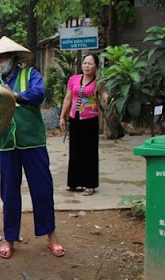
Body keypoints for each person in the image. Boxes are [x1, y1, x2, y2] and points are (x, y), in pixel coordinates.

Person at [0, 36, 65, 259]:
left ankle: (51, 235)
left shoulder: (31, 75)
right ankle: (9, 238)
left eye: (3, 57)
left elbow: (38, 94)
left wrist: (16, 95)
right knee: (9, 193)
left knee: (43, 189)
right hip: (5, 143)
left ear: (14, 58)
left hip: (32, 141)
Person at [59, 54, 105, 197]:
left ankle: (90, 185)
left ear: (96, 67)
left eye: (90, 64)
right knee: (75, 151)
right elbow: (68, 98)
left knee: (89, 152)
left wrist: (113, 100)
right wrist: (62, 116)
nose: (86, 66)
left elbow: (104, 96)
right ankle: (74, 182)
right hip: (75, 119)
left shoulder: (98, 82)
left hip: (90, 120)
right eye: (85, 63)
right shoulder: (74, 79)